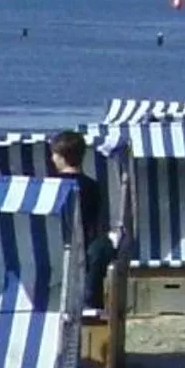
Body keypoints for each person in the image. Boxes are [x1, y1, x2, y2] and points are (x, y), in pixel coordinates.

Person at [53, 129, 112, 310]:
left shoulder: (53, 186)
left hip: (59, 249)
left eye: (54, 155)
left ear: (62, 157)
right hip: (87, 249)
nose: (52, 159)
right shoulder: (93, 186)